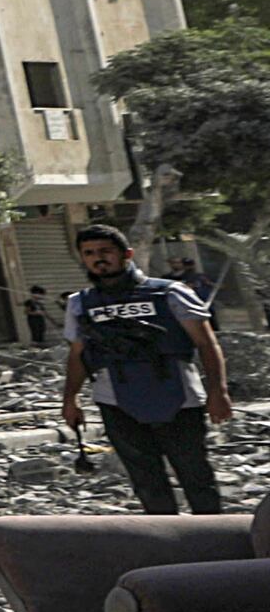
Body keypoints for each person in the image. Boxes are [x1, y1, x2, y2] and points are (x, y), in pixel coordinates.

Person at [57, 219, 233, 515]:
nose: (98, 259)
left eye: (105, 251)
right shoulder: (79, 304)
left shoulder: (170, 293)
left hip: (179, 399)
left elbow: (206, 344)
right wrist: (70, 399)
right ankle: (168, 547)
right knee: (147, 482)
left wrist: (218, 391)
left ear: (126, 254)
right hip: (116, 402)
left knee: (196, 477)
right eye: (89, 253)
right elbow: (78, 355)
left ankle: (217, 545)